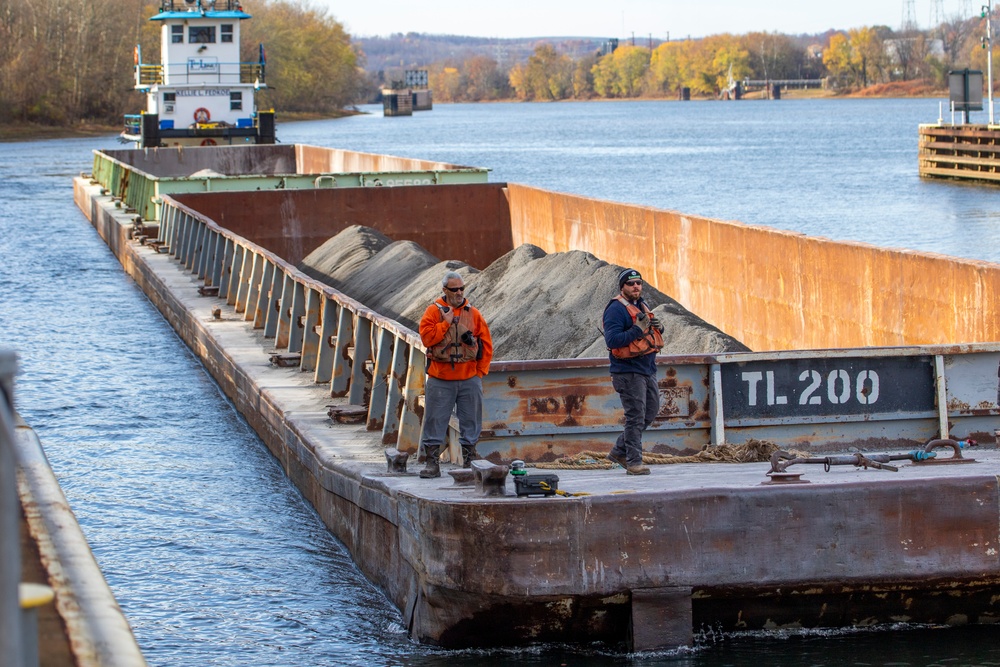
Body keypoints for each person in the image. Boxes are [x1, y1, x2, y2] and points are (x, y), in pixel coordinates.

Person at [417, 271, 493, 478]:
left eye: (462, 288)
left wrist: (479, 372)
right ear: (444, 290)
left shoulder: (474, 314)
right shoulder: (433, 312)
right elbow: (427, 338)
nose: (459, 292)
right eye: (454, 289)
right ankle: (432, 464)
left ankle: (469, 461)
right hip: (440, 380)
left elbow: (486, 345)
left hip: (469, 379)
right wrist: (446, 322)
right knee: (435, 420)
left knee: (471, 421)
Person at [602, 268, 664, 475]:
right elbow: (612, 340)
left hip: (647, 369)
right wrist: (637, 329)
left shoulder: (642, 305)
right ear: (622, 287)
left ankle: (619, 451)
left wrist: (659, 327)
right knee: (636, 417)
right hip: (628, 372)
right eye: (630, 283)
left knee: (650, 412)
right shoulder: (615, 310)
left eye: (638, 283)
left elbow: (649, 333)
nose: (636, 286)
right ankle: (634, 462)